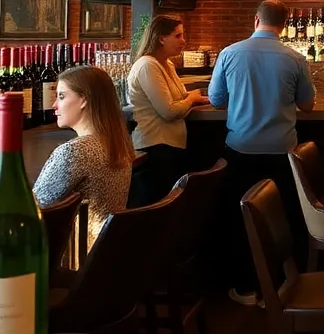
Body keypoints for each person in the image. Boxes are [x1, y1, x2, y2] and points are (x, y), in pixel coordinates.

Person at [208, 0, 315, 304]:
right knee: (281, 220)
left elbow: (216, 100)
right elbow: (307, 105)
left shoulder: (230, 53)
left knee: (242, 219)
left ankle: (246, 289)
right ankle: (280, 288)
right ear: (285, 25)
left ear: (256, 20)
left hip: (240, 150)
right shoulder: (294, 58)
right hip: (282, 153)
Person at [33, 65, 136, 249]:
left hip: (69, 259)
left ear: (83, 100)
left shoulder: (74, 152)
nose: (54, 105)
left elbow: (30, 211)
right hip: (105, 254)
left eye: (62, 96)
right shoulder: (118, 143)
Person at [128, 14, 209, 206]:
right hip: (155, 147)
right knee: (160, 207)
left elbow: (179, 101)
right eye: (178, 36)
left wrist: (192, 100)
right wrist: (192, 98)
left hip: (170, 146)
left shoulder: (166, 63)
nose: (183, 41)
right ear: (161, 38)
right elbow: (170, 111)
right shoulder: (148, 65)